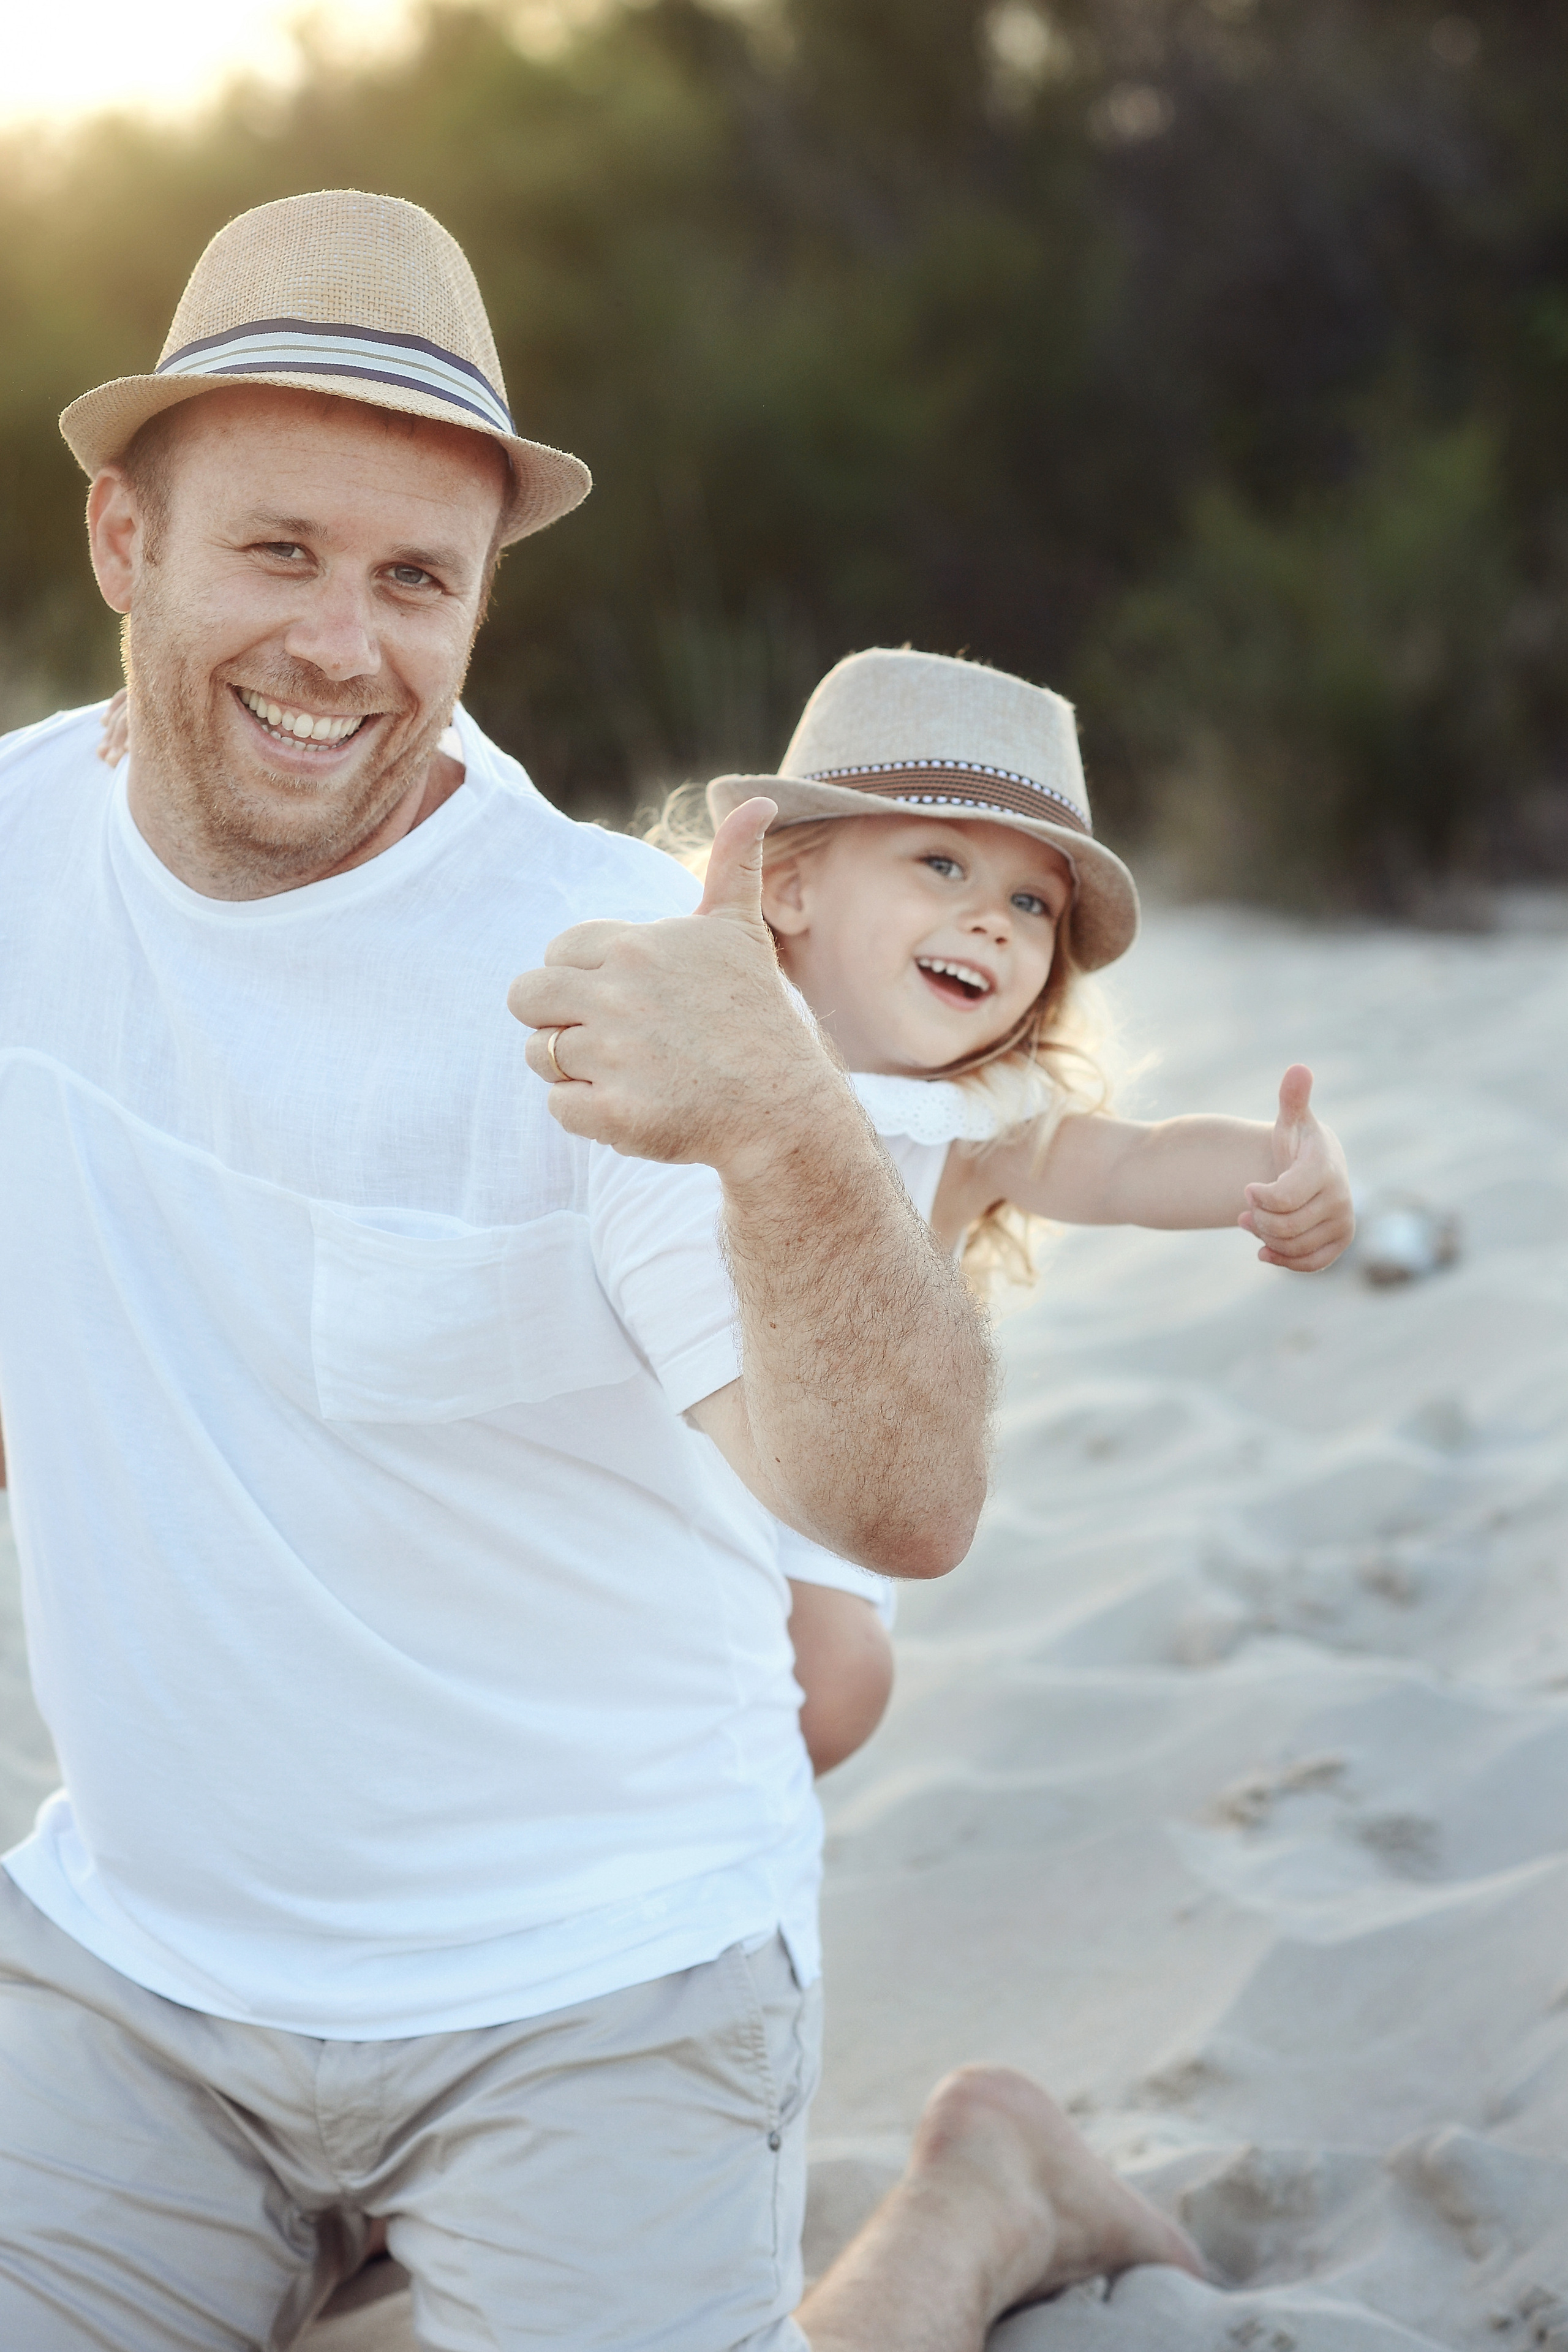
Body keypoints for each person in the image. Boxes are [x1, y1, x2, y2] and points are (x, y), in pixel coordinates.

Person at [0, 190, 1197, 2350]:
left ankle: (980, 2203)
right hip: (132, 1971)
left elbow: (900, 1502)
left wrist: (782, 1122)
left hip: (590, 1983)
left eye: (413, 581)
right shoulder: (8, 863)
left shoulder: (613, 982)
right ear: (123, 542)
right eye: (277, 551)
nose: (340, 645)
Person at [657, 646, 1355, 1773]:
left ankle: (706, 1799)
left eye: (1032, 902)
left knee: (840, 1686)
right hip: (655, 1439)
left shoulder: (977, 1123)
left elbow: (1135, 1165)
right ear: (788, 886)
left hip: (838, 1476)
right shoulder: (695, 1029)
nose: (992, 920)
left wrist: (1278, 1168)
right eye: (942, 863)